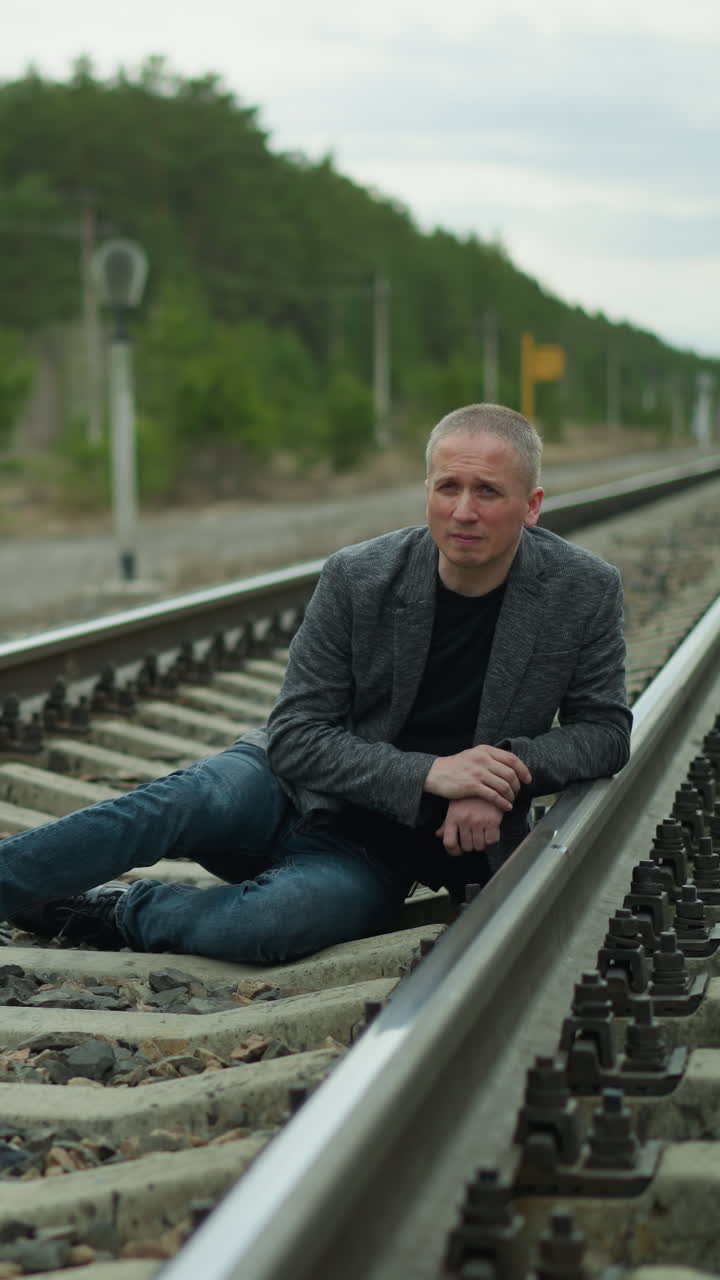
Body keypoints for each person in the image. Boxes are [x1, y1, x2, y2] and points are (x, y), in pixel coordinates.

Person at [1, 404, 632, 963]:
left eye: (488, 492)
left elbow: (605, 731)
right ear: (428, 491)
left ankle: (111, 911)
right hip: (282, 786)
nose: (463, 511)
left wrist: (499, 772)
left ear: (533, 505)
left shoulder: (583, 590)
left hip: (376, 856)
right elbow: (297, 737)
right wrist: (433, 774)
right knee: (179, 801)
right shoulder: (360, 576)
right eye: (449, 487)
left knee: (271, 923)